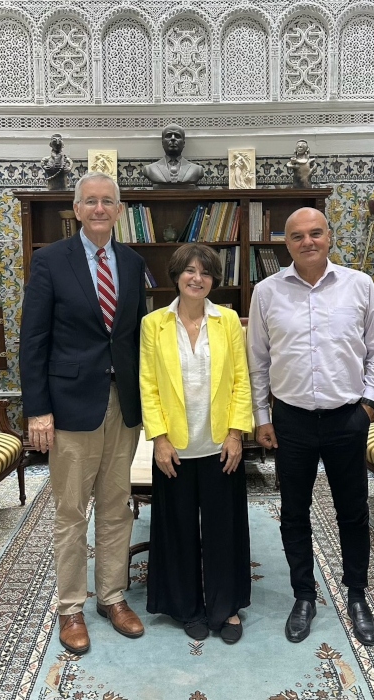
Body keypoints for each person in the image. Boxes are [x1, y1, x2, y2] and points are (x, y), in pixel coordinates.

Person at [246, 207, 374, 647]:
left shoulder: (359, 285)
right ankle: (304, 596)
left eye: (315, 233)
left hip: (348, 418)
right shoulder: (266, 292)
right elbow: (257, 362)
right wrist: (262, 418)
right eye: (297, 236)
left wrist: (368, 405)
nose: (307, 241)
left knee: (351, 510)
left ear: (329, 236)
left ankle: (357, 594)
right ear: (285, 243)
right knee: (294, 513)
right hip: (290, 421)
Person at [20, 171, 147, 654]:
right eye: (89, 201)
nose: (99, 209)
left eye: (107, 202)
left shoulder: (133, 264)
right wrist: (38, 411)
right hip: (70, 405)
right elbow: (33, 340)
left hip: (123, 405)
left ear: (119, 211)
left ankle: (112, 597)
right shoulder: (50, 261)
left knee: (116, 507)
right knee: (71, 512)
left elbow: (135, 336)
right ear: (76, 210)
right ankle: (70, 606)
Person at [140, 244, 252, 644]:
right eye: (188, 271)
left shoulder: (227, 323)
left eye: (205, 273)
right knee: (178, 528)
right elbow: (148, 386)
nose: (196, 278)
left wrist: (237, 433)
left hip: (221, 443)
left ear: (213, 280)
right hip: (175, 448)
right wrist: (160, 439)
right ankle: (187, 606)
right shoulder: (153, 323)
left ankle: (226, 607)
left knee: (224, 528)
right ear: (176, 276)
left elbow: (242, 381)